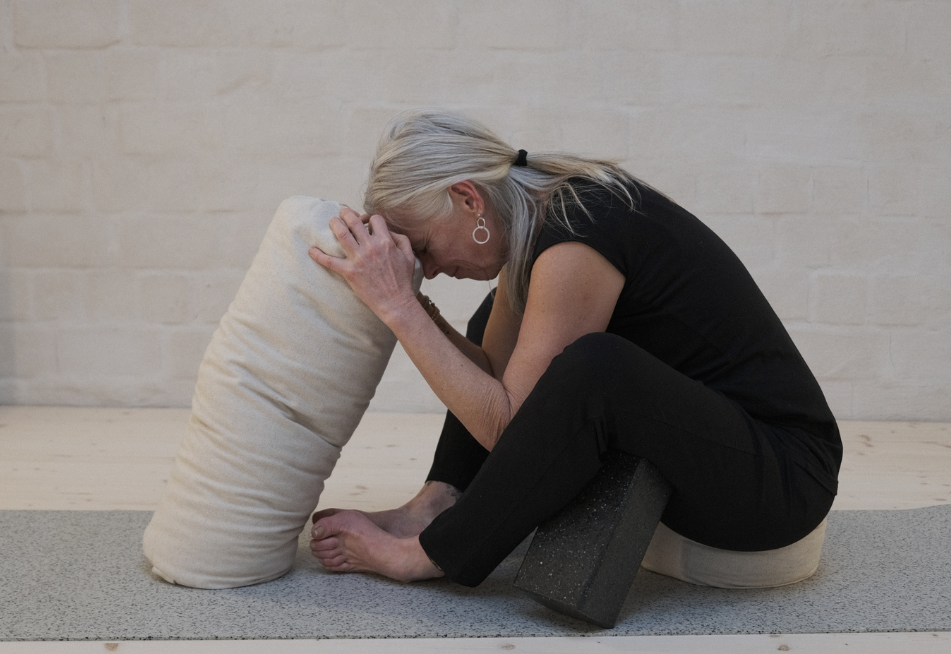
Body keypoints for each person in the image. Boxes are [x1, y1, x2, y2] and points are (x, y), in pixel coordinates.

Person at [306, 109, 842, 586]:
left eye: (422, 246)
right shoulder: (538, 220)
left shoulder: (577, 230)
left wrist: (399, 306)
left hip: (782, 478)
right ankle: (436, 504)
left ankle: (430, 555)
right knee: (494, 317)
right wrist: (417, 308)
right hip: (716, 447)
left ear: (468, 199)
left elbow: (512, 429)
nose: (430, 268)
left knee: (596, 365)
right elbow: (493, 376)